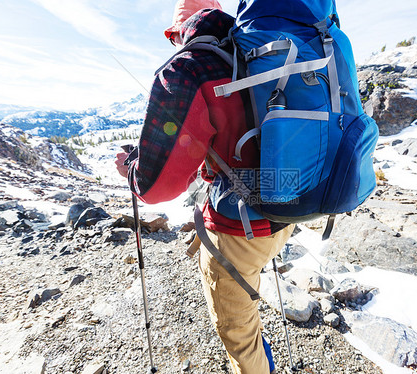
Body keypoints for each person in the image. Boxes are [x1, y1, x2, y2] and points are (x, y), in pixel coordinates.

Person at [115, 1, 294, 373]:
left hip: (240, 228)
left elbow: (155, 189)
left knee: (237, 334)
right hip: (290, 205)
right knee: (247, 300)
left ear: (177, 32)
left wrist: (133, 169)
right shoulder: (255, 49)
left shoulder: (188, 69)